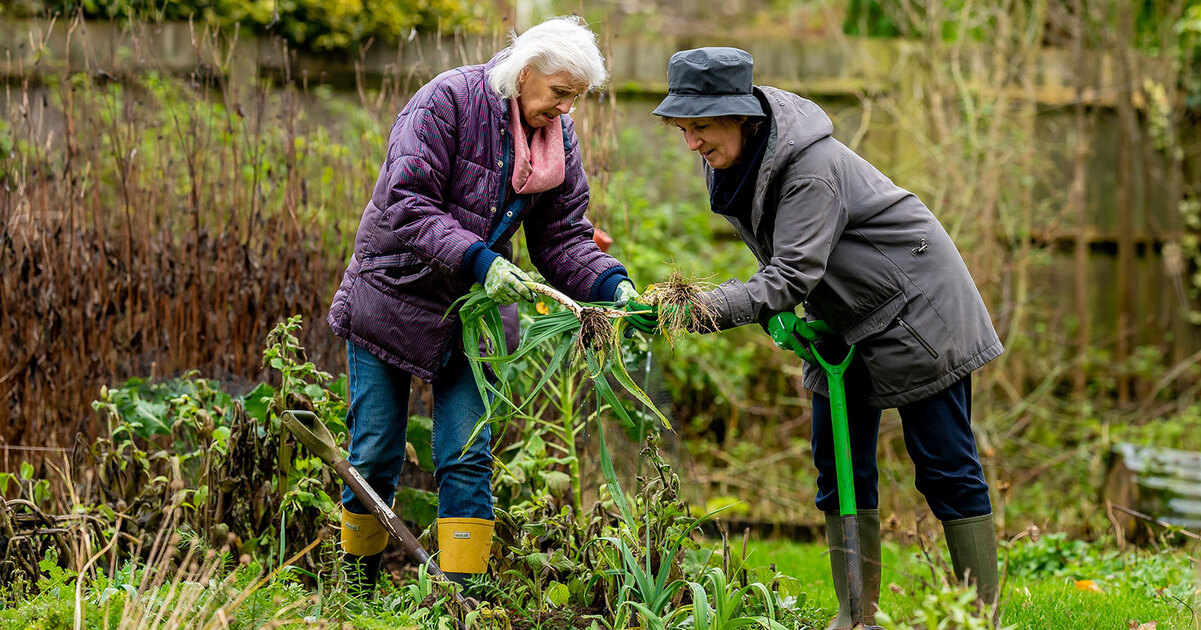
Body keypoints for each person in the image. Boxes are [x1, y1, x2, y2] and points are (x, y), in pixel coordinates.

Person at [627, 47, 1003, 627]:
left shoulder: (810, 168)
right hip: (843, 318)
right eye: (683, 128)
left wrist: (702, 307)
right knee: (839, 466)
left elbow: (792, 271)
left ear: (741, 116)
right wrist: (776, 309)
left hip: (917, 309)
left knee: (943, 465)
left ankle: (980, 617)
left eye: (700, 127)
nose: (691, 143)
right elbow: (786, 262)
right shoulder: (735, 160)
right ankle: (856, 617)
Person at [326, 16, 639, 591]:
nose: (566, 110)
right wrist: (481, 259)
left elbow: (563, 238)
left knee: (466, 453)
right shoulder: (446, 102)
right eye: (560, 93)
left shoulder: (555, 138)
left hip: (473, 313)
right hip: (393, 293)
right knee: (374, 451)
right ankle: (358, 590)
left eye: (576, 98)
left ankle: (460, 600)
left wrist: (611, 285)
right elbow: (406, 201)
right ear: (524, 73)